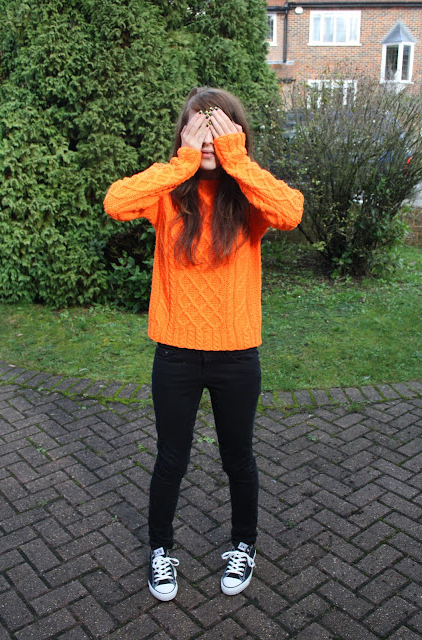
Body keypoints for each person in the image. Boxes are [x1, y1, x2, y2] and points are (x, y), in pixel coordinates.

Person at [104, 87, 304, 601]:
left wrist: (237, 161)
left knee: (238, 458)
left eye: (220, 128)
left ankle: (244, 544)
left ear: (236, 134)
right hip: (176, 354)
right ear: (185, 133)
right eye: (200, 126)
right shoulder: (169, 194)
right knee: (171, 459)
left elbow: (291, 212)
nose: (210, 138)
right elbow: (115, 202)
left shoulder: (248, 197)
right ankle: (160, 549)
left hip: (236, 355)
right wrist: (182, 163)